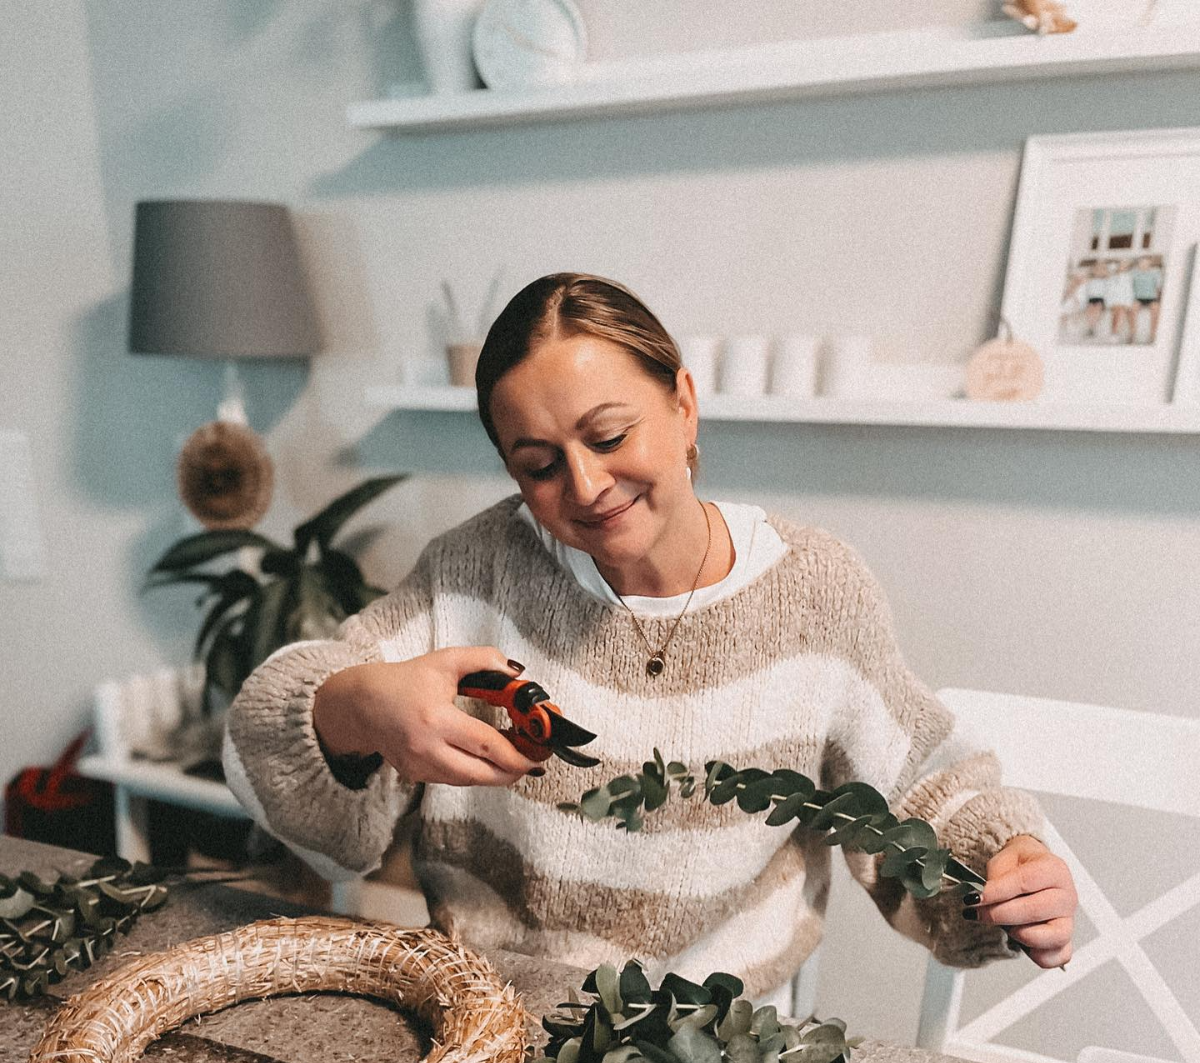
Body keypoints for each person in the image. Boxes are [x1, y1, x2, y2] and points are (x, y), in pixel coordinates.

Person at [223, 273, 1077, 1010]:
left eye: (608, 436)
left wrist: (1002, 864)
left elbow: (914, 794)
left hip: (719, 1059)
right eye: (539, 465)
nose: (586, 486)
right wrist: (355, 707)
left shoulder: (817, 590)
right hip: (485, 1028)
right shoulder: (470, 575)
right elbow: (278, 739)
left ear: (683, 404)